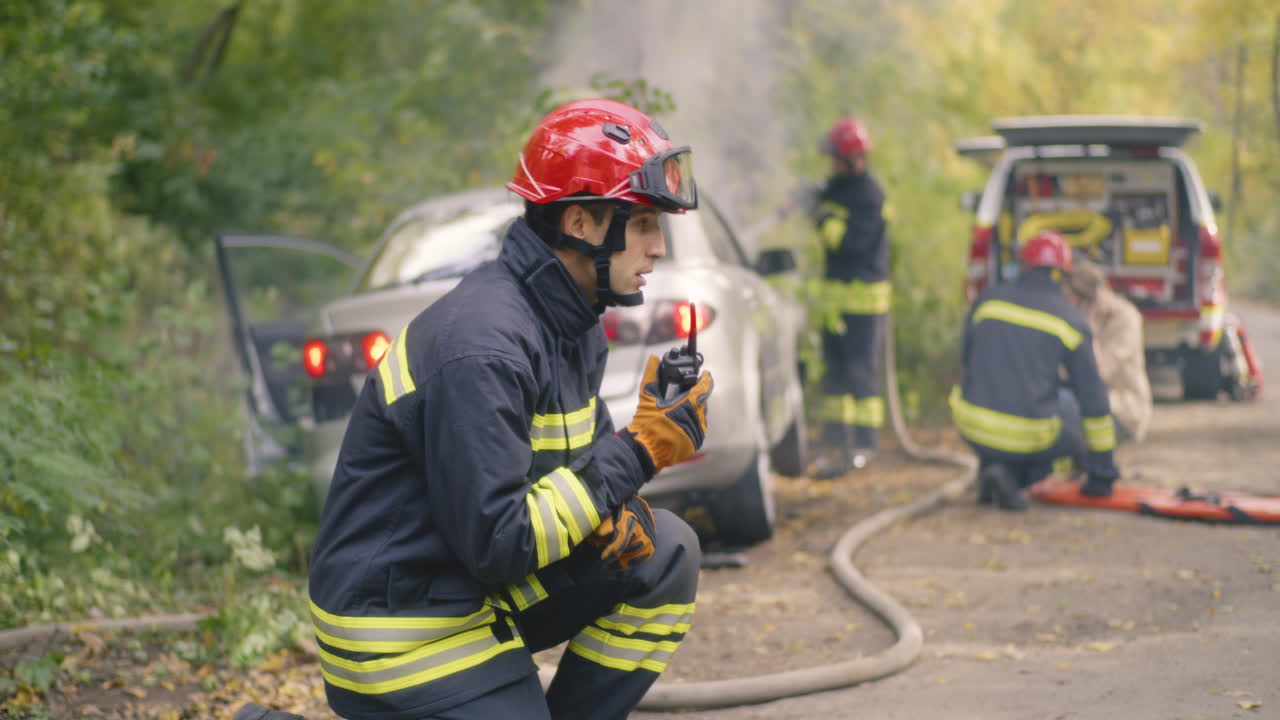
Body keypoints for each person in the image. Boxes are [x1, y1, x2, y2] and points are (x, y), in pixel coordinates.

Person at [307, 98, 713, 720]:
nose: (658, 247)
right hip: (401, 623)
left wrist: (622, 492)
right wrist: (636, 452)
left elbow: (572, 478)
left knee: (663, 551)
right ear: (580, 222)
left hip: (466, 584)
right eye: (642, 226)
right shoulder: (484, 346)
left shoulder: (571, 323)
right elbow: (500, 542)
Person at [951, 230, 1121, 510]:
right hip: (1028, 436)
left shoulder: (987, 301)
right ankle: (1016, 476)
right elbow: (1094, 399)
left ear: (1023, 265)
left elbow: (969, 361)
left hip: (970, 426)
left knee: (1009, 407)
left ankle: (993, 467)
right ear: (1064, 274)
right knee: (1072, 427)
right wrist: (1101, 473)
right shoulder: (1070, 321)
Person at [810, 116, 890, 478]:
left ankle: (864, 442)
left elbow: (849, 244)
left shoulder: (870, 197)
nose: (833, 165)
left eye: (836, 158)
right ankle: (835, 437)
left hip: (863, 302)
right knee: (836, 371)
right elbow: (825, 201)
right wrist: (809, 196)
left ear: (853, 159)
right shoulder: (838, 188)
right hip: (835, 302)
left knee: (860, 373)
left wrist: (821, 217)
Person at [1063, 259, 1152, 443]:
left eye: (1069, 300)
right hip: (1087, 402)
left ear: (1088, 301)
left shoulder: (1126, 320)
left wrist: (1090, 329)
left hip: (1122, 410)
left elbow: (1094, 373)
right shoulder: (1074, 317)